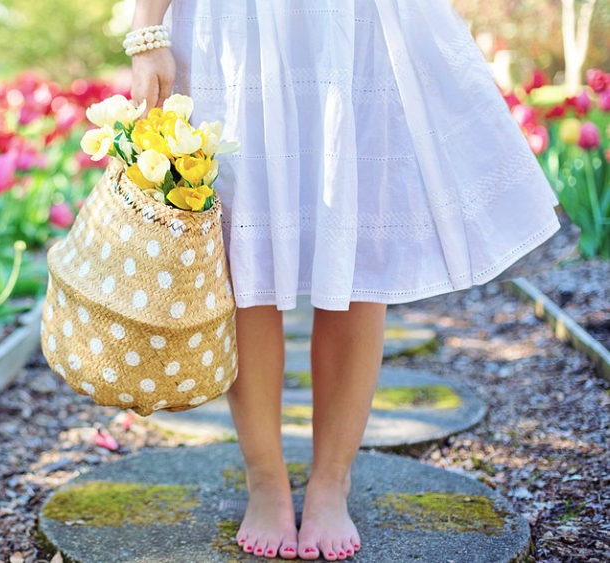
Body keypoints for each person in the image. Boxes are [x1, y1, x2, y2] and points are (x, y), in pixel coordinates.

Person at [127, 0, 561, 560]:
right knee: (241, 248)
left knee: (359, 246)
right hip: (234, 25)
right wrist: (146, 31)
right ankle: (265, 480)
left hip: (356, 23)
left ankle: (332, 480)